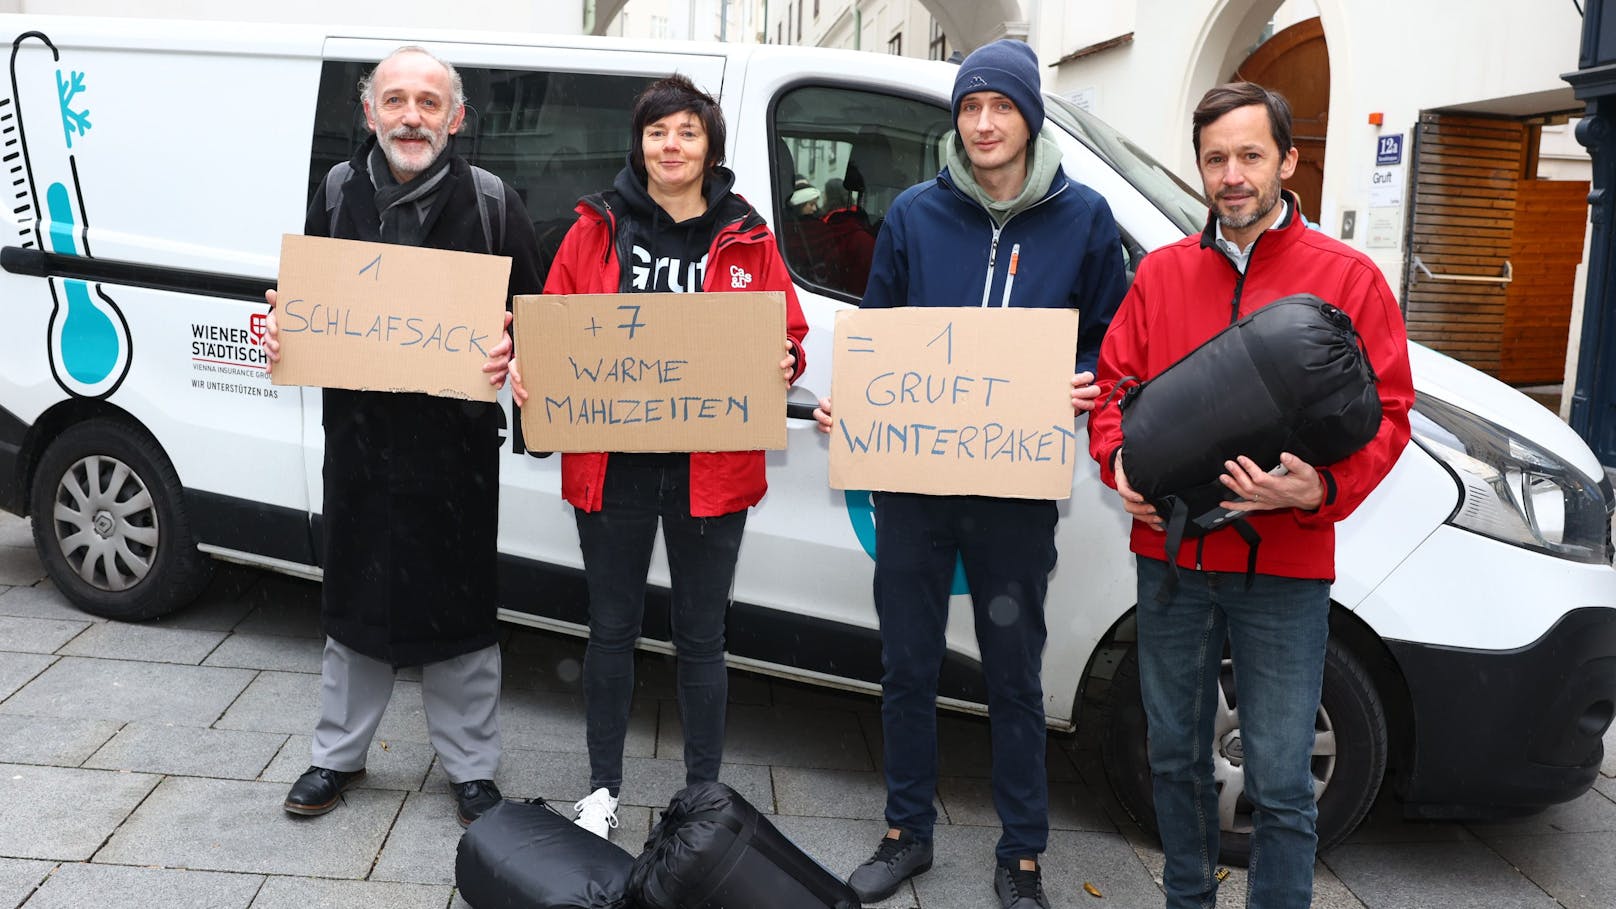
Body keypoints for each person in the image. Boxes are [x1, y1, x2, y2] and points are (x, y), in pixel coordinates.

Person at [812, 39, 1127, 909]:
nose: (984, 123)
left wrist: (1087, 374)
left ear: (1029, 116)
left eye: (1001, 107)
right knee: (907, 662)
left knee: (1014, 670)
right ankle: (906, 830)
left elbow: (1113, 337)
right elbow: (880, 329)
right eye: (970, 107)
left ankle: (1021, 853)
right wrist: (858, 405)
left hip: (1014, 489)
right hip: (914, 482)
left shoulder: (1085, 218)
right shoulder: (915, 212)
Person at [1086, 82, 1414, 908]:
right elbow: (1114, 392)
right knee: (1173, 758)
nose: (1231, 175)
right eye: (1215, 158)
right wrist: (1116, 466)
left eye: (1249, 155)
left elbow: (1393, 413)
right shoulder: (1160, 274)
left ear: (1289, 160)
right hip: (1171, 562)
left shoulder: (1347, 278)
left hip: (1286, 568)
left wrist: (1322, 484)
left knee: (1279, 777)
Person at [510, 74, 807, 840]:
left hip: (713, 468)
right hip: (614, 465)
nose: (670, 146)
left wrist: (784, 362)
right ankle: (603, 791)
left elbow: (789, 336)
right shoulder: (593, 230)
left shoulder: (748, 236)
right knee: (610, 629)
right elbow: (554, 331)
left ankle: (701, 799)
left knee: (702, 636)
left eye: (686, 131)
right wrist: (529, 367)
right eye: (656, 132)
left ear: (710, 145)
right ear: (638, 143)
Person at [262, 46, 543, 828]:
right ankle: (337, 756)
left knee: (460, 613)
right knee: (352, 599)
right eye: (395, 101)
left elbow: (541, 325)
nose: (411, 116)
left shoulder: (493, 204)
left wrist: (514, 352)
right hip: (358, 441)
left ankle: (473, 771)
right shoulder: (338, 189)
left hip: (453, 453)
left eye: (428, 102)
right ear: (369, 113)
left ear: (455, 118)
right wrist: (284, 332)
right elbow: (307, 309)